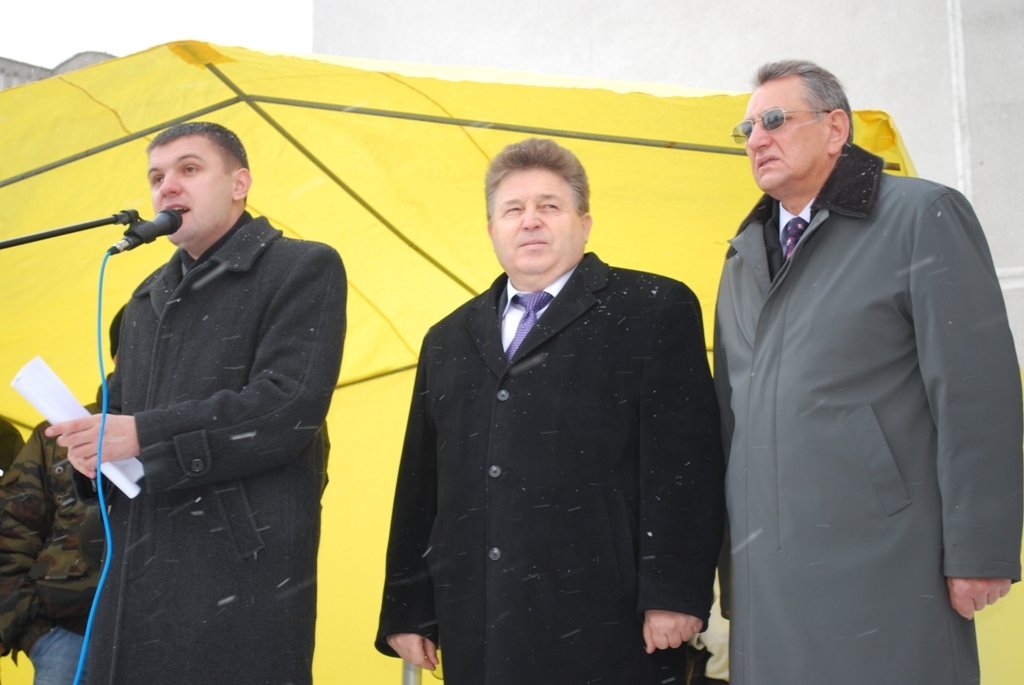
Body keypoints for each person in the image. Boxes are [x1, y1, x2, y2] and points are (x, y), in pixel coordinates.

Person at [713, 59, 1023, 685]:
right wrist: (731, 569)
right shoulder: (742, 255)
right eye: (746, 129)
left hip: (886, 555)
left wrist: (981, 549)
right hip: (766, 571)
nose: (756, 140)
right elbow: (729, 420)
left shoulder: (922, 216)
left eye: (774, 119)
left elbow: (976, 392)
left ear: (835, 128)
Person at [376, 137, 724, 684]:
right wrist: (407, 607)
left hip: (610, 621)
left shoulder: (653, 308)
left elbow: (684, 466)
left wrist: (674, 594)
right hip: (477, 621)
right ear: (492, 230)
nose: (530, 220)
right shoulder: (446, 338)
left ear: (584, 224)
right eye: (513, 209)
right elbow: (421, 483)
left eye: (550, 205)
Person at [45, 121, 347, 685]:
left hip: (237, 573)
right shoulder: (143, 299)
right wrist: (92, 450)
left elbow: (288, 406)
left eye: (189, 169)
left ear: (239, 184)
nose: (167, 187)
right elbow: (121, 413)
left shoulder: (302, 267)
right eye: (156, 177)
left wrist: (144, 435)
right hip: (137, 569)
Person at [0, 310, 123, 685]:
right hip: (67, 636)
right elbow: (10, 530)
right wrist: (34, 631)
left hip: (175, 634)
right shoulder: (57, 434)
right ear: (117, 354)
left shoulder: (189, 433)